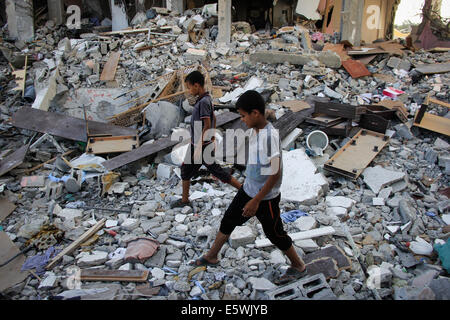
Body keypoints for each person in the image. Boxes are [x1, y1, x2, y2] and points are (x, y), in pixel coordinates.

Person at [192, 90, 307, 284]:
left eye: (243, 115)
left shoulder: (269, 137)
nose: (242, 120)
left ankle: (298, 265)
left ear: (255, 113)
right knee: (228, 220)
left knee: (275, 233)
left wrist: (256, 201)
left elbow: (275, 173)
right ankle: (212, 255)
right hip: (249, 188)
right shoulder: (256, 130)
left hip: (265, 197)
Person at [171, 71, 242, 209]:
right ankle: (184, 200)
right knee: (185, 170)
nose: (189, 90)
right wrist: (213, 137)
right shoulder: (206, 98)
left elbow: (208, 124)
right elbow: (214, 118)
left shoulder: (203, 102)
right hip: (198, 144)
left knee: (217, 171)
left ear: (197, 85)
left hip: (201, 146)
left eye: (189, 87)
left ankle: (245, 191)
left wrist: (199, 146)